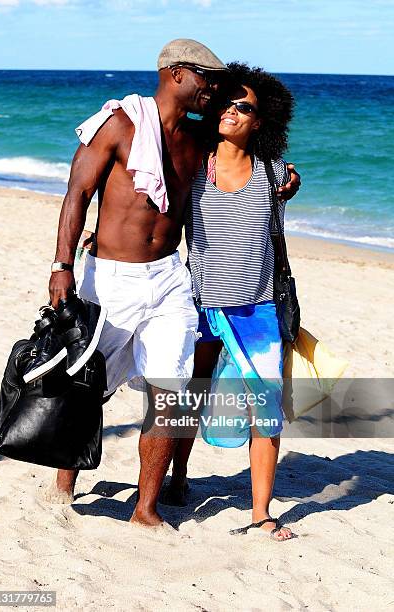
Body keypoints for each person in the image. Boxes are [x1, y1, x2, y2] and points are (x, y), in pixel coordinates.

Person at [45, 40, 301, 527]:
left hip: (169, 278)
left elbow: (245, 157)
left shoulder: (198, 139)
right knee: (88, 385)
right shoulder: (119, 124)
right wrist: (62, 265)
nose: (214, 91)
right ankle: (65, 480)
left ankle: (146, 508)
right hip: (111, 277)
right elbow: (77, 192)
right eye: (208, 80)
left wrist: (286, 177)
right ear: (178, 74)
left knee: (173, 391)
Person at [165, 63, 297, 540]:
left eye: (243, 107)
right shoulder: (192, 164)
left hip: (257, 307)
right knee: (190, 395)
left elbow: (288, 188)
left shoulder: (274, 173)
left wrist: (292, 179)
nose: (231, 112)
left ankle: (261, 510)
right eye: (226, 103)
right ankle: (176, 477)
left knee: (266, 408)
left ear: (260, 121)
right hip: (200, 302)